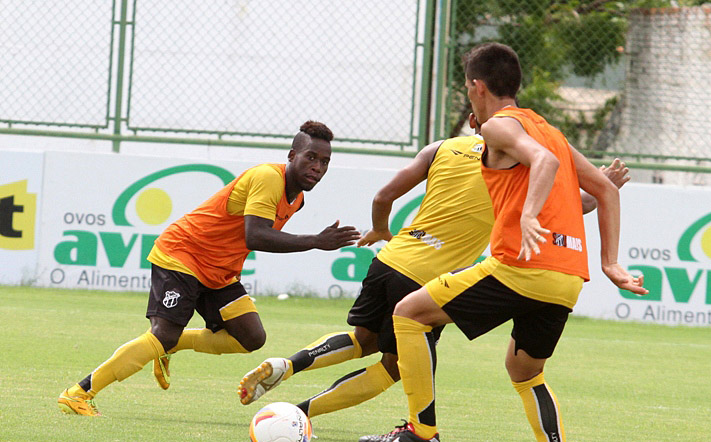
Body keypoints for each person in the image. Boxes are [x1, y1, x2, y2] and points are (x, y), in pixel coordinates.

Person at [358, 43, 647, 442]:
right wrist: (609, 262)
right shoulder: (549, 129)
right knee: (525, 371)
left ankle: (420, 431)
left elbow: (545, 164)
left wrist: (529, 215)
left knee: (409, 314)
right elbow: (605, 191)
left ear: (477, 86)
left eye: (466, 87)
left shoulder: (498, 126)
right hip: (566, 278)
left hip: (520, 266)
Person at [237, 114, 630, 424]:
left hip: (391, 260)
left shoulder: (440, 148)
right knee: (392, 368)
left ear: (472, 121)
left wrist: (381, 229)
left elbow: (383, 195)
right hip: (426, 282)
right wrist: (602, 186)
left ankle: (288, 364)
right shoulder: (509, 168)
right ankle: (298, 414)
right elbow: (569, 207)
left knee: (363, 338)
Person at [57, 121, 361, 416]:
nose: (317, 167)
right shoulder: (268, 178)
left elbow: (242, 237)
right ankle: (79, 393)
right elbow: (255, 235)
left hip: (218, 272)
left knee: (251, 337)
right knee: (163, 334)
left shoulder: (298, 199)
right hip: (183, 255)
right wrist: (316, 241)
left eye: (324, 162)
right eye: (311, 157)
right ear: (292, 155)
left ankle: (170, 346)